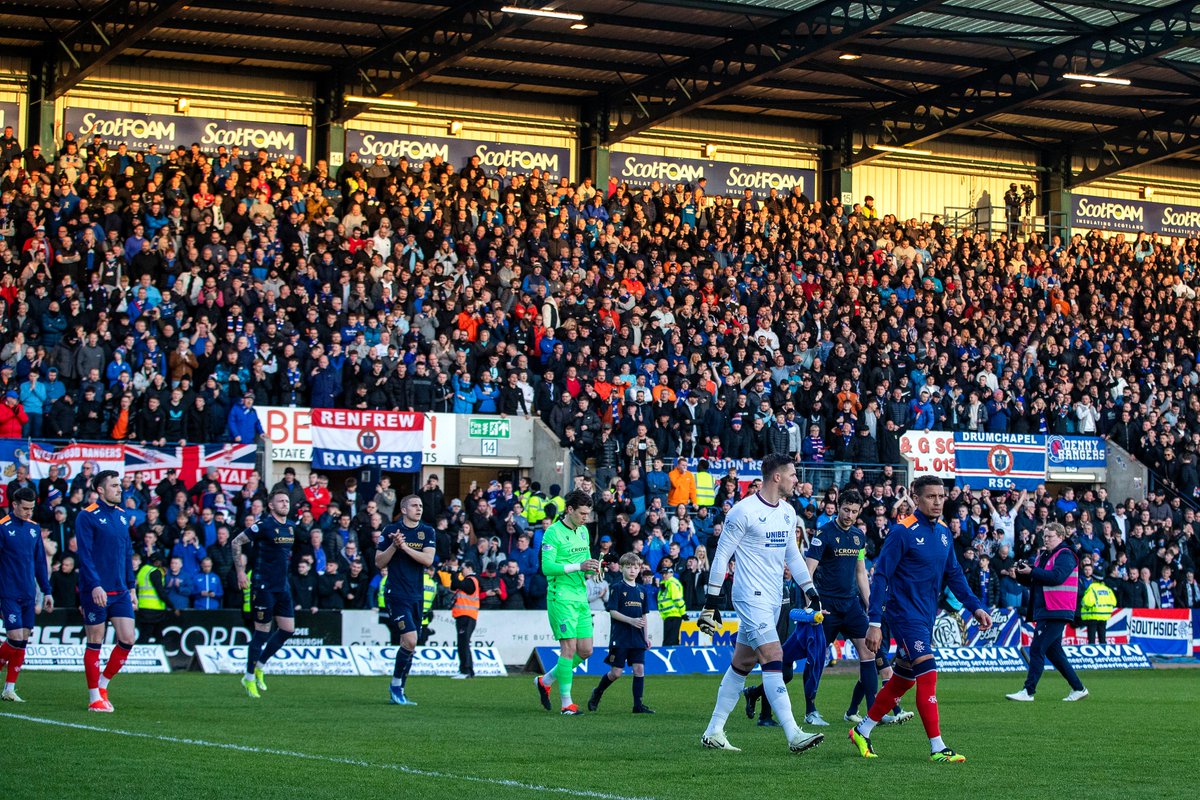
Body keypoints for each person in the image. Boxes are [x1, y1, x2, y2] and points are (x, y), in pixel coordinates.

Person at [849, 475, 993, 763]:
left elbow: (954, 575)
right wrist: (874, 622)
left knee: (903, 680)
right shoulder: (902, 532)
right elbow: (882, 577)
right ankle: (937, 747)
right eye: (931, 496)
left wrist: (974, 606)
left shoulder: (942, 534)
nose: (938, 501)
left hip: (925, 618)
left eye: (941, 496)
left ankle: (862, 730)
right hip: (904, 616)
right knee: (928, 672)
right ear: (916, 498)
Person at [698, 452, 823, 754]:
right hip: (749, 595)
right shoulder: (743, 512)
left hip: (772, 598)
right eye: (793, 475)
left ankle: (714, 730)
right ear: (777, 477)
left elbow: (791, 554)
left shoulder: (788, 512)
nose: (798, 480)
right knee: (773, 655)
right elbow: (721, 556)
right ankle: (793, 733)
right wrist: (712, 601)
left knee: (742, 663)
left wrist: (811, 590)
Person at [794, 489, 885, 727]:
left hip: (851, 604)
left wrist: (871, 606)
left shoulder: (858, 537)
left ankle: (873, 712)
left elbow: (861, 574)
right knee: (817, 657)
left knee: (869, 653)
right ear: (838, 506)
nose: (850, 515)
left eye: (855, 512)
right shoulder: (823, 534)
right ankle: (810, 711)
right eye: (846, 510)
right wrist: (811, 605)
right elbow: (808, 571)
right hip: (826, 606)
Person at [75, 471, 137, 712]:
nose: (119, 489)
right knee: (95, 641)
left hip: (120, 590)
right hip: (96, 591)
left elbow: (127, 553)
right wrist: (95, 585)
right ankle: (93, 698)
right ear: (101, 490)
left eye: (119, 485)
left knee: (128, 638)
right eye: (114, 485)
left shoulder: (122, 516)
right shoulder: (86, 516)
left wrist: (131, 587)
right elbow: (85, 555)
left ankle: (103, 684)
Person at [533, 489, 600, 715]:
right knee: (569, 649)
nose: (586, 518)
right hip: (560, 597)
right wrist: (579, 567)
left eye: (588, 514)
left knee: (586, 650)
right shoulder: (552, 533)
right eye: (582, 513)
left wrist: (592, 569)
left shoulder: (583, 532)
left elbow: (585, 560)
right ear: (569, 510)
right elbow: (547, 568)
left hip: (580, 596)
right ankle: (566, 704)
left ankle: (546, 680)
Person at [1006, 523, 1088, 703]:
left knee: (1037, 648)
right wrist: (1021, 574)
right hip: (1047, 608)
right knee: (1053, 652)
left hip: (1057, 608)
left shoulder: (1066, 554)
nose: (1046, 539)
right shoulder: (1044, 555)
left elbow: (1057, 577)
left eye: (1049, 536)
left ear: (1060, 536)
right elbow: (1036, 580)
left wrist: (1033, 571)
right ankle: (1078, 688)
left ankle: (1028, 691)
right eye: (1044, 536)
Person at [231, 489, 297, 699]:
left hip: (282, 586)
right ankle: (249, 678)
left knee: (288, 629)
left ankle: (260, 665)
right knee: (261, 633)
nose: (285, 504)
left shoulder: (290, 526)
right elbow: (236, 542)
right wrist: (241, 571)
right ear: (271, 505)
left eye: (287, 501)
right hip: (263, 586)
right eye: (281, 501)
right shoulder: (264, 525)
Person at [375, 494, 434, 704]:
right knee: (410, 639)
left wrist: (405, 547)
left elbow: (428, 560)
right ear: (404, 509)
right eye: (414, 505)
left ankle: (398, 688)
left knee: (408, 644)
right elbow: (378, 563)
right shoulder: (390, 531)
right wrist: (393, 546)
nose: (419, 509)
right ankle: (395, 686)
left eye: (420, 505)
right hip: (396, 594)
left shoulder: (427, 531)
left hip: (416, 595)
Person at [0, 487, 53, 702]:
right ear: (14, 505)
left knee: (22, 641)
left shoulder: (34, 528)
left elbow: (40, 562)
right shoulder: (3, 527)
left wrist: (46, 591)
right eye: (25, 508)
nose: (28, 512)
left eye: (31, 509)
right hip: (8, 591)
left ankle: (9, 689)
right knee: (15, 638)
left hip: (28, 593)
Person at [587, 552, 655, 714]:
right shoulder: (617, 587)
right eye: (629, 567)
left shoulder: (642, 590)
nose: (632, 570)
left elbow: (644, 616)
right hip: (621, 637)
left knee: (639, 669)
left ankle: (638, 706)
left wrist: (646, 637)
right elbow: (613, 612)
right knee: (616, 673)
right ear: (622, 569)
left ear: (639, 570)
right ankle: (598, 692)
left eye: (635, 567)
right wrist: (631, 621)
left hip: (638, 637)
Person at [449, 560, 481, 679]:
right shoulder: (468, 581)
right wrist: (455, 575)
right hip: (464, 615)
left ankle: (465, 670)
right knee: (464, 643)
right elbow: (454, 585)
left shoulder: (472, 580)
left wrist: (454, 573)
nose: (461, 570)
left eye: (463, 568)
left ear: (469, 568)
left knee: (463, 643)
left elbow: (461, 585)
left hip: (467, 615)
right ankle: (467, 670)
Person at [1080, 572, 1117, 644]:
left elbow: (1087, 603)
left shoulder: (1092, 589)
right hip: (1104, 616)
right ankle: (1103, 652)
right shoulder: (1107, 589)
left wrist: (1083, 605)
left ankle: (1092, 652)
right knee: (1102, 637)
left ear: (1093, 579)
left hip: (1093, 616)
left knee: (1091, 638)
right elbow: (1114, 602)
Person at [657, 562, 686, 646]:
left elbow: (677, 599)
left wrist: (683, 613)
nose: (664, 576)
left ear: (671, 574)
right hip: (669, 616)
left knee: (670, 641)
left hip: (674, 615)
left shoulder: (672, 583)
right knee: (671, 640)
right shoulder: (665, 584)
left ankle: (671, 657)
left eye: (666, 573)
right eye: (662, 574)